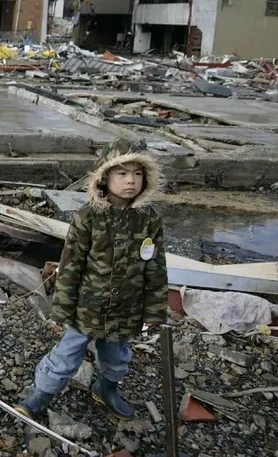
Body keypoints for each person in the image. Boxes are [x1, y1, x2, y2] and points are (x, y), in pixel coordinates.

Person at [15, 139, 168, 421]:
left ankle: (107, 388)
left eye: (137, 173)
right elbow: (70, 265)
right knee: (67, 353)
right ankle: (41, 394)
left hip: (126, 308)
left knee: (116, 355)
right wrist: (62, 306)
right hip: (87, 306)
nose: (130, 181)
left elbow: (155, 267)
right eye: (122, 174)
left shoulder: (150, 219)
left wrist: (155, 309)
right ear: (105, 178)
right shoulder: (88, 218)